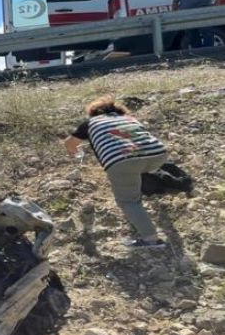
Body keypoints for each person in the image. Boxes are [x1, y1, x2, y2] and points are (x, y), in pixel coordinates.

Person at [64, 96, 169, 249]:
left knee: (128, 201)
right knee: (138, 169)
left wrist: (74, 153)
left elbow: (69, 144)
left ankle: (151, 240)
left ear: (93, 113)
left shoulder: (91, 123)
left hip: (123, 162)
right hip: (159, 155)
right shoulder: (129, 119)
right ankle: (152, 186)